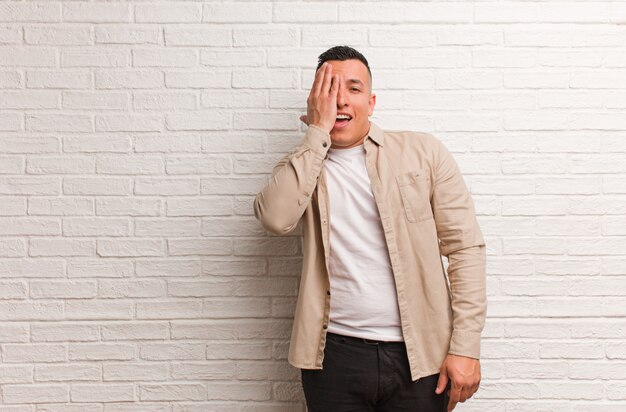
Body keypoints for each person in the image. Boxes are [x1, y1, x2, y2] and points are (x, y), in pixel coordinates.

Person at [253, 46, 486, 412]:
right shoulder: (302, 166)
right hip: (333, 357)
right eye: (329, 89)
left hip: (421, 357)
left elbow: (465, 249)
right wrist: (317, 133)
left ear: (372, 102)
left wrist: (465, 347)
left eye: (353, 88)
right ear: (315, 100)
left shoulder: (423, 152)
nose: (341, 99)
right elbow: (274, 218)